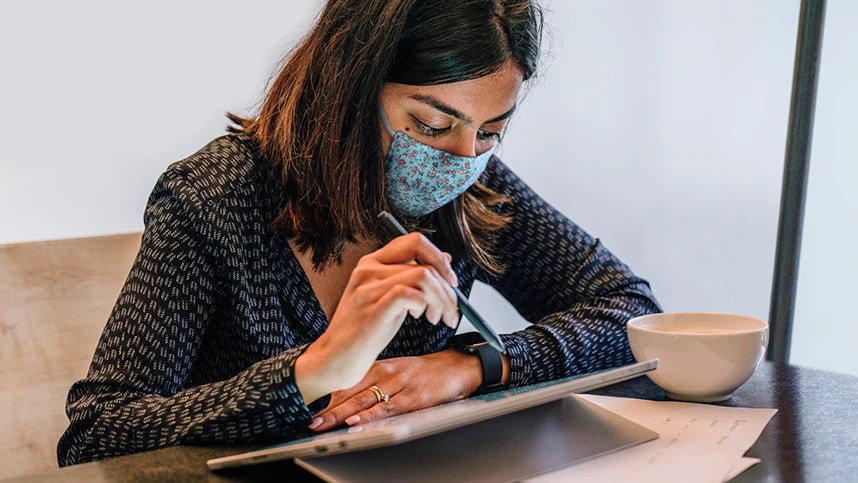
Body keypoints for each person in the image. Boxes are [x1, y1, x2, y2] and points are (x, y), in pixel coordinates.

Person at [58, 0, 661, 466]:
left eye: (490, 132)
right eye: (430, 124)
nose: (461, 158)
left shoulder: (468, 186)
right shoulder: (215, 195)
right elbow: (95, 435)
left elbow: (631, 312)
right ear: (350, 89)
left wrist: (472, 367)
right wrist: (313, 369)